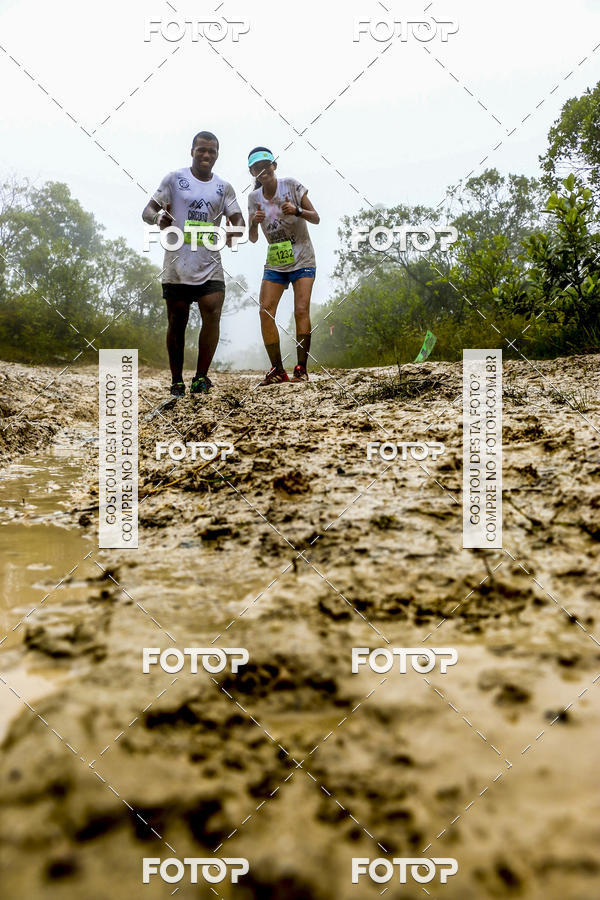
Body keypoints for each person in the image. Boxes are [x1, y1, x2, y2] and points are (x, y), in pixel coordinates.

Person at [142, 131, 245, 397]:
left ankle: (201, 378)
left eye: (212, 151)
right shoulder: (174, 180)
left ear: (217, 155)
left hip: (210, 263)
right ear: (192, 151)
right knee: (177, 321)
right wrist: (158, 220)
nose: (206, 155)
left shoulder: (224, 188)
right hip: (178, 264)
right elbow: (147, 211)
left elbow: (239, 221)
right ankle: (176, 380)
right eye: (201, 150)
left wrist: (234, 232)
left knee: (212, 311)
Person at [247, 147, 320, 385]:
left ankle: (301, 369)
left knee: (301, 310)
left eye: (266, 165)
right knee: (265, 311)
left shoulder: (291, 185)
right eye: (257, 168)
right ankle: (277, 369)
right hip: (276, 261)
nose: (263, 170)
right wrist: (254, 224)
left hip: (302, 257)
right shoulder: (253, 199)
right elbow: (253, 238)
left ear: (274, 166)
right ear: (252, 173)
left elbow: (316, 217)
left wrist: (296, 210)